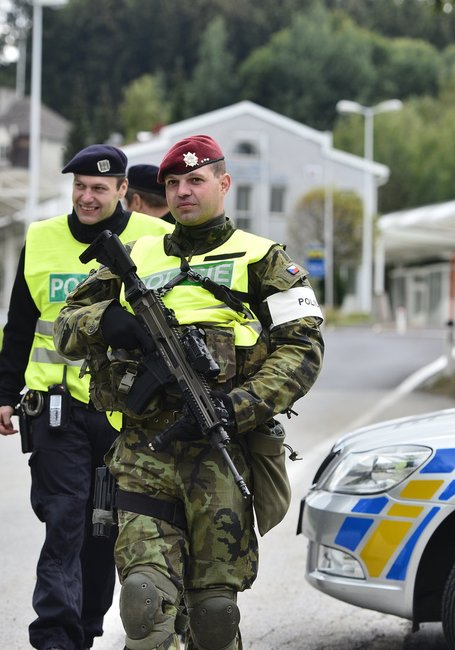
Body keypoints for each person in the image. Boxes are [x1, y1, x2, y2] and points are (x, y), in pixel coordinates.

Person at [53, 134, 324, 650]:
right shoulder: (135, 254)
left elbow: (303, 349)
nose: (182, 192)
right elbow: (66, 326)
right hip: (143, 451)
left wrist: (236, 406)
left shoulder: (263, 259)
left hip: (224, 449)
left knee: (214, 615)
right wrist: (107, 320)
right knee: (143, 601)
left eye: (195, 180)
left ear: (223, 184)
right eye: (172, 183)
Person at [0, 144, 172, 650]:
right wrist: (3, 395)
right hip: (55, 408)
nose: (86, 198)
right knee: (64, 521)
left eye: (98, 189)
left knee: (102, 531)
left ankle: (87, 626)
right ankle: (56, 639)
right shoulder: (42, 238)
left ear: (122, 192)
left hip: (127, 413)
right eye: (79, 187)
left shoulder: (156, 237)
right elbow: (21, 323)